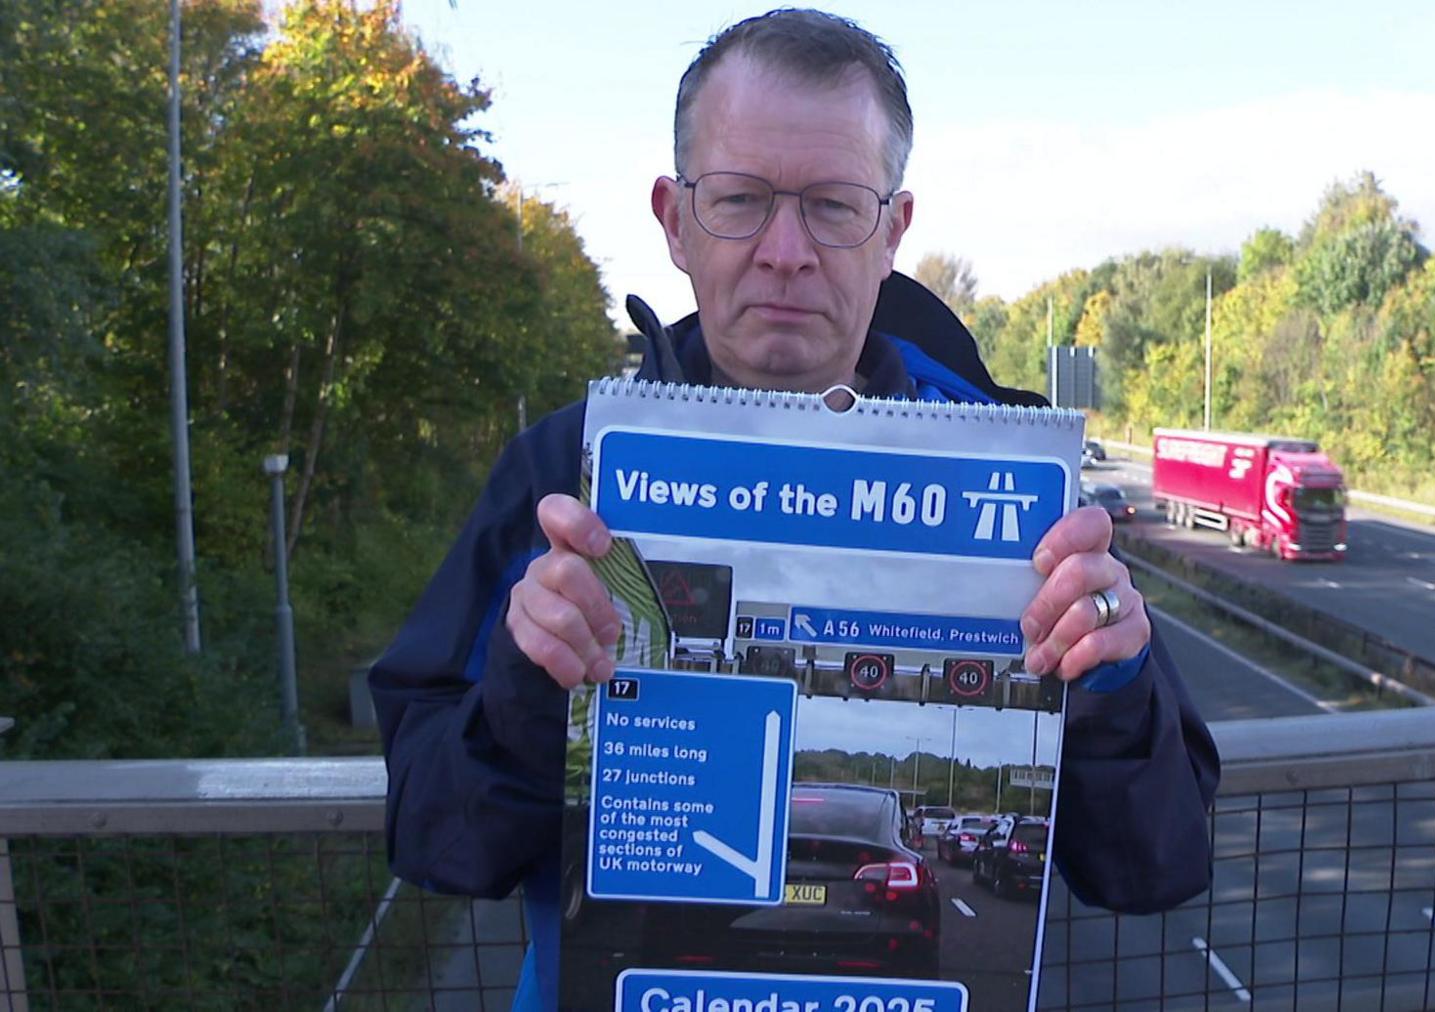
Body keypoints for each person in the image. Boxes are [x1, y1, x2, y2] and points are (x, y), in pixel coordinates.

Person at [369, 9, 1220, 1009]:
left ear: (894, 230)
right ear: (674, 219)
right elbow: (437, 839)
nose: (786, 250)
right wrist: (528, 687)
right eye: (740, 200)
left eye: (831, 205)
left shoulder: (1020, 488)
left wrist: (1111, 675)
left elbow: (1157, 864)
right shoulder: (566, 473)